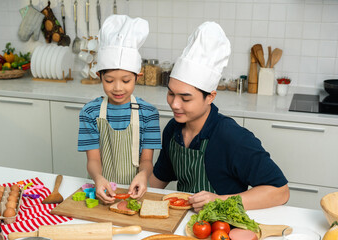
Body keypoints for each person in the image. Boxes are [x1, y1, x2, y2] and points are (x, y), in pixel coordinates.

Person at [149, 22, 289, 212]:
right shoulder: (173, 129)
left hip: (220, 226)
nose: (174, 104)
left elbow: (280, 191)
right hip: (182, 222)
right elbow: (160, 177)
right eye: (171, 93)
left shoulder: (232, 137)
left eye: (185, 98)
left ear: (210, 97)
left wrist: (220, 201)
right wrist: (138, 197)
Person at [78, 15, 161, 204]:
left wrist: (143, 175)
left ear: (137, 77)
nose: (117, 88)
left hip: (135, 192)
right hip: (102, 190)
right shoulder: (89, 112)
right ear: (99, 76)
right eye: (109, 80)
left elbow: (147, 160)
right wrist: (98, 179)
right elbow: (93, 160)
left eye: (125, 80)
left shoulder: (148, 113)